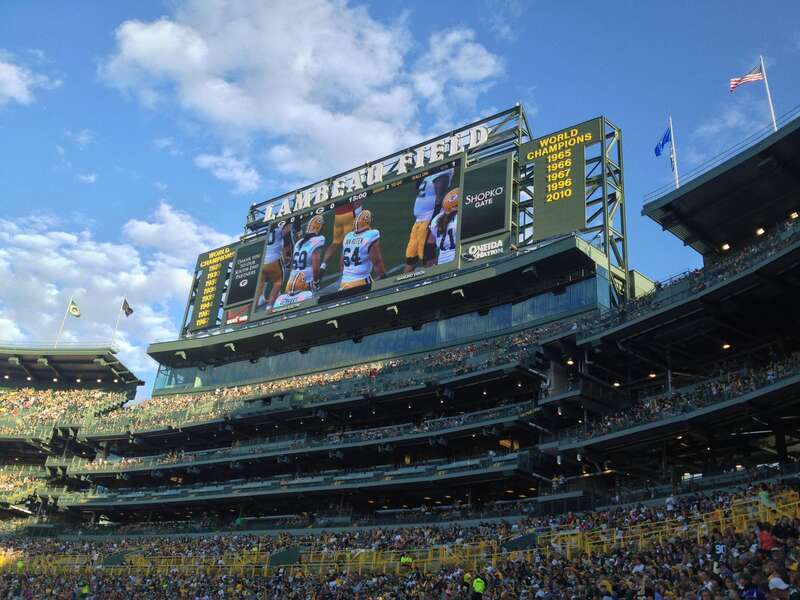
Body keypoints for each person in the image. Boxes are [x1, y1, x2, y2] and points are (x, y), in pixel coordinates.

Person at [404, 168, 453, 272]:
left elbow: (440, 198)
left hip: (429, 219)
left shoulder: (442, 173)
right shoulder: (429, 173)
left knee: (428, 256)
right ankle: (402, 284)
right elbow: (418, 187)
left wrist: (433, 222)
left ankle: (432, 280)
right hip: (418, 221)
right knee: (411, 256)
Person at [339, 209, 385, 290]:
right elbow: (377, 262)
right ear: (368, 221)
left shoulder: (348, 236)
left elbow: (342, 263)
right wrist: (384, 278)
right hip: (361, 281)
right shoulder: (371, 235)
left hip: (344, 282)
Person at [255, 220, 292, 310]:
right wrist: (287, 257)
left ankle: (255, 305)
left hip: (261, 262)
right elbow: (287, 242)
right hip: (273, 260)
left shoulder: (263, 233)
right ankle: (270, 306)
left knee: (261, 283)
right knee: (277, 282)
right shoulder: (279, 230)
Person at [289, 215, 326, 291]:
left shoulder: (298, 243)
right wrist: (315, 282)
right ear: (319, 227)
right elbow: (315, 269)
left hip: (292, 282)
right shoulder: (318, 240)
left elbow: (292, 264)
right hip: (306, 282)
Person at [425, 188, 459, 267]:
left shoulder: (436, 219)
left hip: (442, 262)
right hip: (457, 260)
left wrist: (430, 263)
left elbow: (430, 242)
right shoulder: (459, 218)